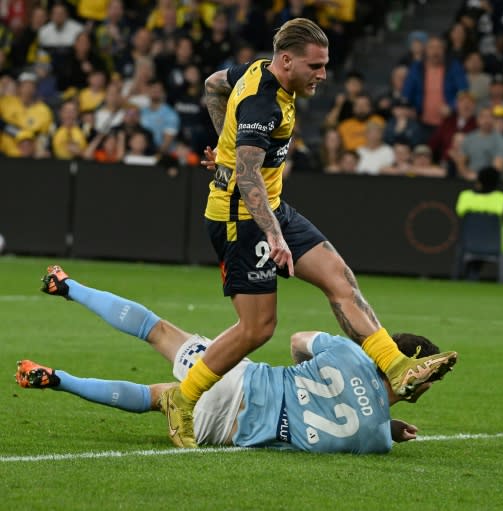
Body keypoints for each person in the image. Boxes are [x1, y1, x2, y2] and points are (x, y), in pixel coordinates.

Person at [175, 18, 457, 448]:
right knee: (257, 329)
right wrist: (273, 233)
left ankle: (395, 367)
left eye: (324, 65)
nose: (323, 75)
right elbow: (248, 176)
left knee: (338, 278)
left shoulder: (258, 72)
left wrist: (225, 145)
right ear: (286, 61)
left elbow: (214, 84)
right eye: (316, 66)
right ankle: (183, 398)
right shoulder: (262, 105)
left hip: (270, 208)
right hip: (242, 218)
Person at [20, 265, 435, 453]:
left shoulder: (346, 350)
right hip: (227, 430)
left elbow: (297, 342)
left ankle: (66, 285)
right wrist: (388, 423)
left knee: (158, 330)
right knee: (154, 397)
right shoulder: (377, 440)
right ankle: (60, 379)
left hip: (238, 379)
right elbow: (364, 414)